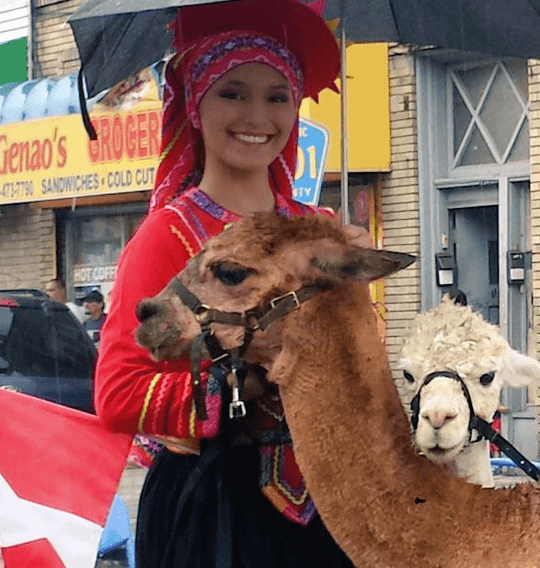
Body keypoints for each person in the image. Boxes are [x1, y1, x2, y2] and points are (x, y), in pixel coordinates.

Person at [93, 2, 362, 566]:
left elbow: (357, 361)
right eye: (233, 92)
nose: (257, 115)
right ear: (194, 102)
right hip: (209, 505)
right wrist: (239, 379)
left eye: (277, 96)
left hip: (327, 498)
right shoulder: (165, 237)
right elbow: (117, 394)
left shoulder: (316, 229)